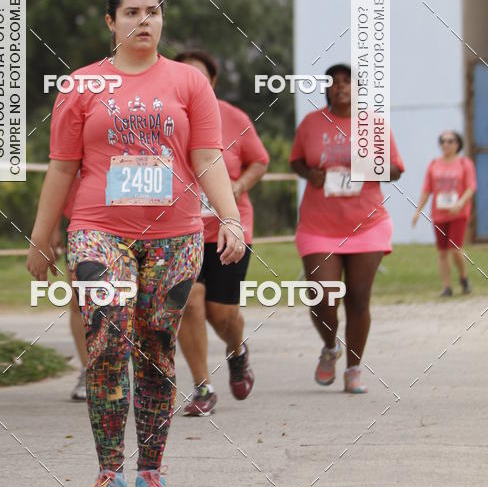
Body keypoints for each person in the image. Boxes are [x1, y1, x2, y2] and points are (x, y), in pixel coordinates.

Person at [26, 0, 245, 487]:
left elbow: (208, 158)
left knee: (154, 344)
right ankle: (108, 474)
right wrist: (41, 237)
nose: (144, 21)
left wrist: (232, 218)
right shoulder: (81, 86)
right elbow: (61, 167)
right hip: (99, 227)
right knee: (105, 343)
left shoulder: (190, 85)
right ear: (111, 22)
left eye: (153, 12)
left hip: (176, 232)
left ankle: (150, 470)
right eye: (131, 13)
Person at [290, 63, 405, 394]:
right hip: (318, 224)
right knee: (321, 296)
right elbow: (297, 160)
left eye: (347, 81)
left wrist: (371, 166)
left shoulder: (374, 124)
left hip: (367, 223)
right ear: (326, 89)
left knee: (358, 297)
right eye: (333, 82)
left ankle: (354, 367)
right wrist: (309, 173)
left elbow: (396, 169)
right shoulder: (311, 124)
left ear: (358, 87)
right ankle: (330, 348)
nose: (340, 86)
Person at [174, 49, 269, 416]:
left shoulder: (232, 117)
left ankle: (237, 351)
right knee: (190, 300)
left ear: (211, 82)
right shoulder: (163, 117)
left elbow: (260, 160)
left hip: (228, 228)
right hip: (182, 230)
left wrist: (239, 186)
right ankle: (202, 387)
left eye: (199, 76)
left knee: (221, 313)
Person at [412, 130, 477, 297]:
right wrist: (418, 211)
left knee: (455, 248)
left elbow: (471, 187)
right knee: (442, 251)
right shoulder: (434, 164)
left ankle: (463, 277)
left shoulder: (464, 163)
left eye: (450, 141)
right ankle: (447, 287)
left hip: (458, 213)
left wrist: (461, 203)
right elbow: (427, 189)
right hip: (439, 213)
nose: (446, 144)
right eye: (443, 141)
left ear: (457, 144)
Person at [49, 173, 88, 400]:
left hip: (131, 224)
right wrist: (51, 230)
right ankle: (88, 370)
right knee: (78, 301)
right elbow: (59, 175)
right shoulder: (75, 138)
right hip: (83, 226)